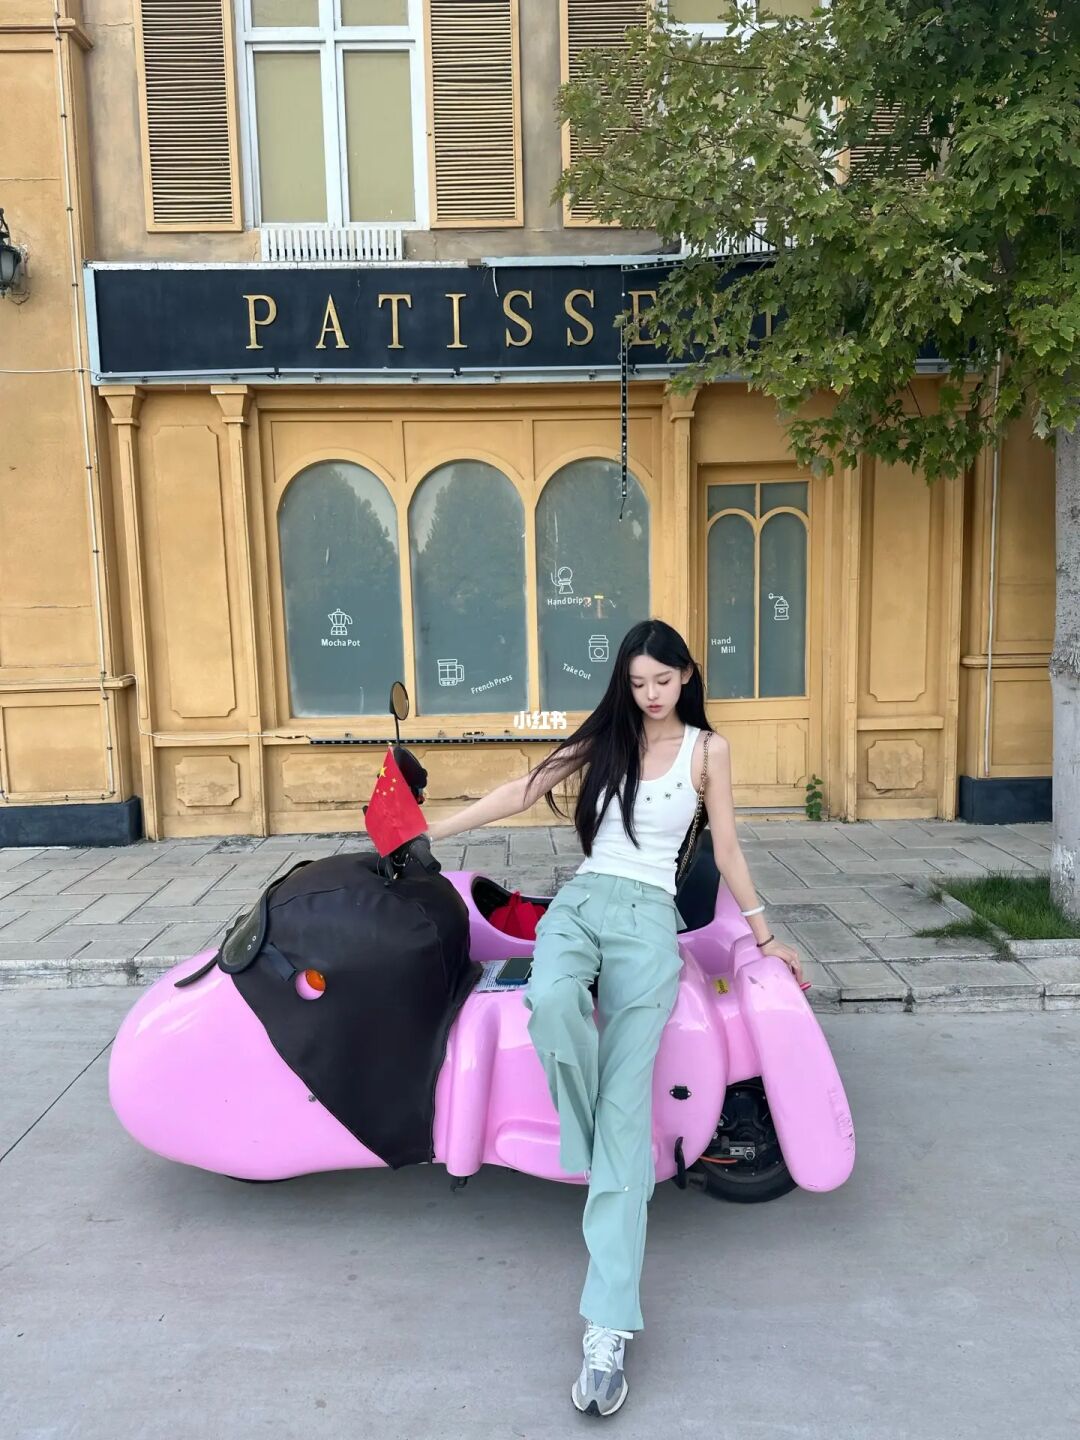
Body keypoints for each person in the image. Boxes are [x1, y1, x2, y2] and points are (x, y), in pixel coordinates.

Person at [426, 618, 802, 1417]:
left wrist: (768, 936)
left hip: (648, 921)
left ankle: (606, 1329)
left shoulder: (708, 751)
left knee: (629, 1116)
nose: (650, 694)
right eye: (637, 683)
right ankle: (599, 1139)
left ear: (686, 675)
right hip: (584, 903)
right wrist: (430, 836)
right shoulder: (607, 738)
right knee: (552, 1002)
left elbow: (728, 851)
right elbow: (523, 789)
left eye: (662, 680)